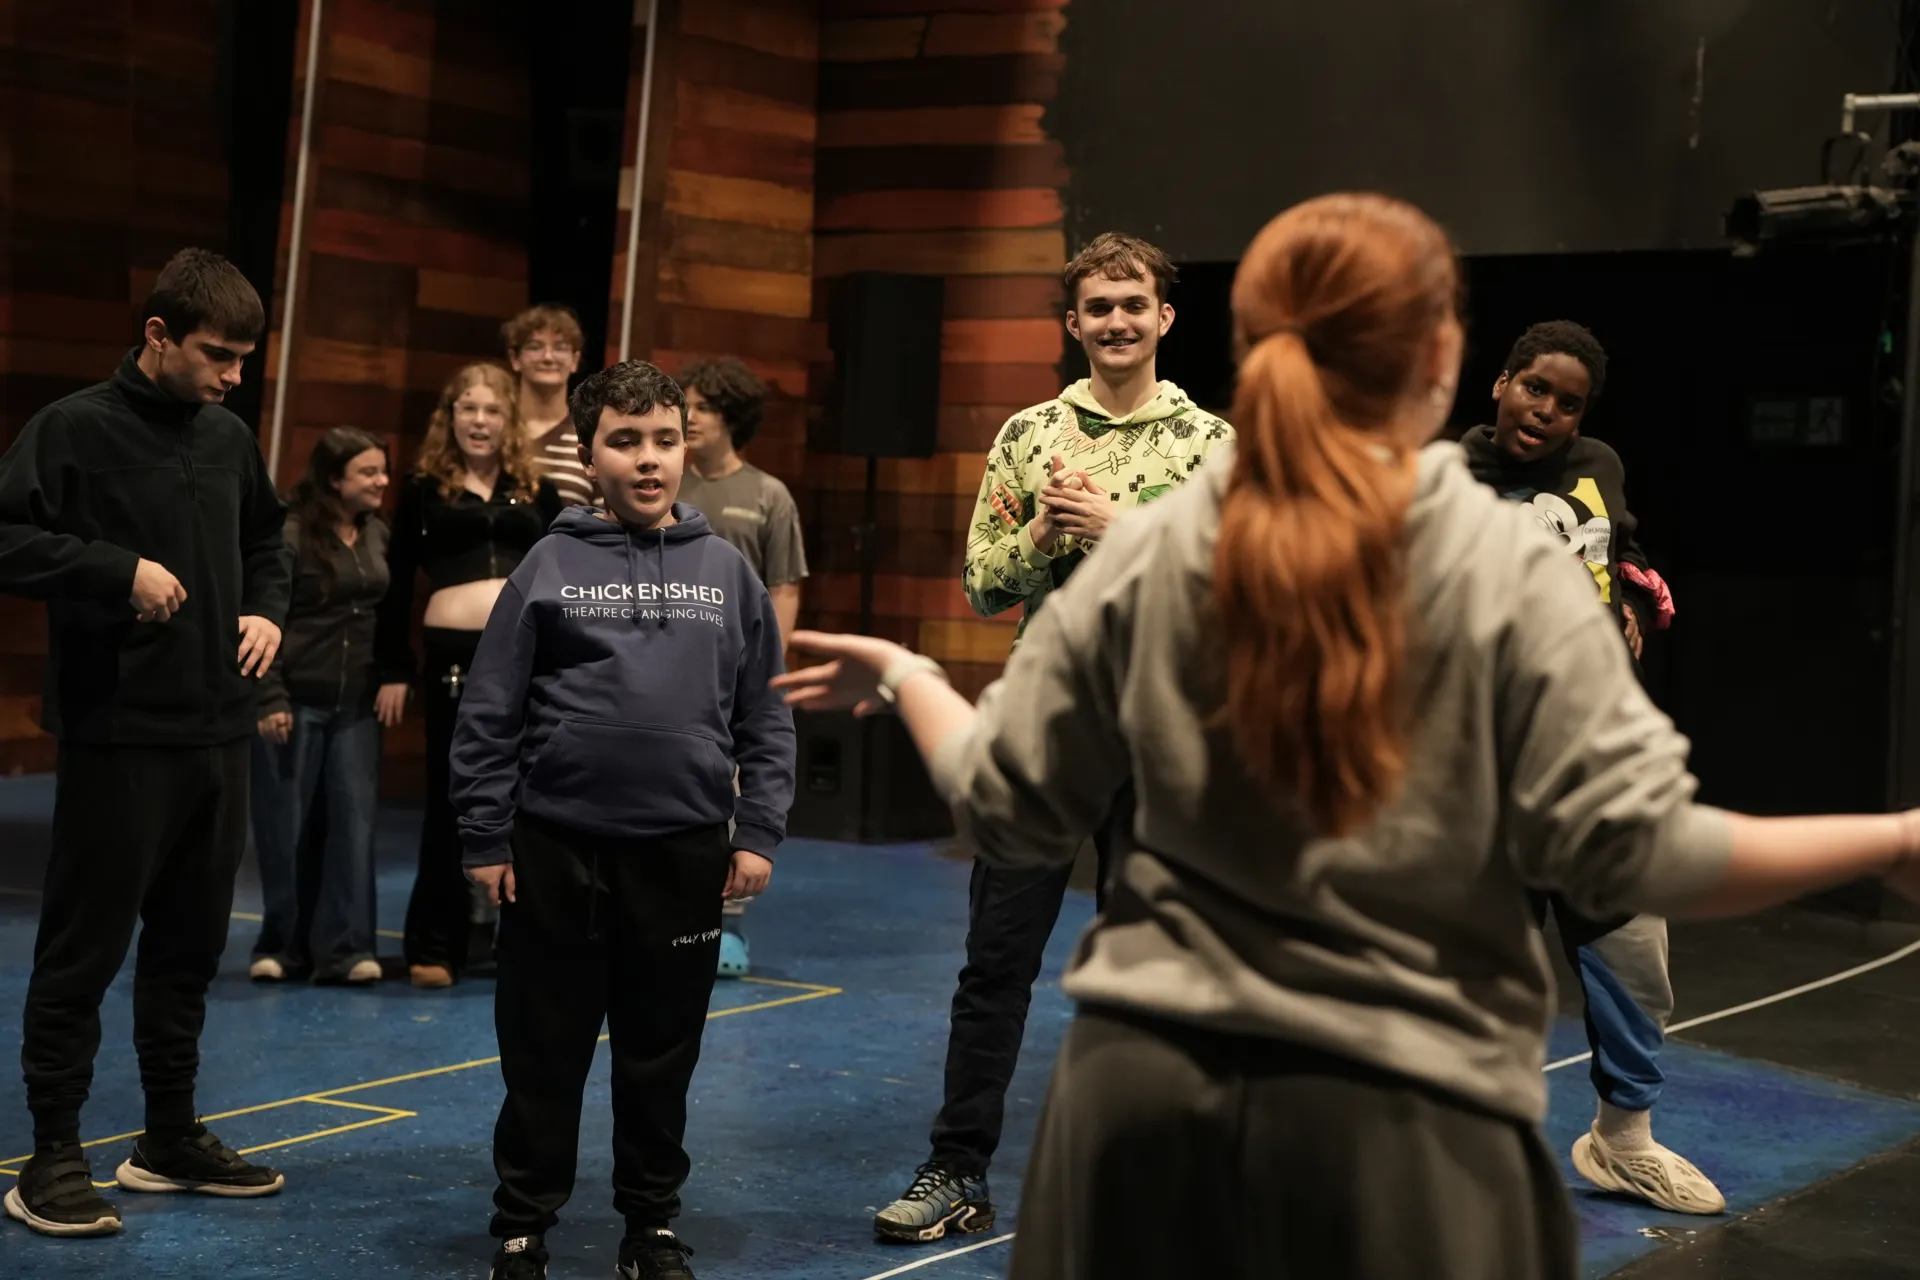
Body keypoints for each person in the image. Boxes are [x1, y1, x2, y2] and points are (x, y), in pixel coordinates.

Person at [772, 192, 1920, 1279]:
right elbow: (1641, 852)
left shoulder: (1174, 545)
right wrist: (1892, 835)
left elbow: (995, 788)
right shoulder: (1503, 563)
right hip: (1408, 1123)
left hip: (1143, 1117)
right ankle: (958, 1160)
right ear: (1447, 365)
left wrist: (909, 672)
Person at [869, 231, 1234, 1243]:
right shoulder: (1030, 434)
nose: (1116, 321)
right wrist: (1040, 535)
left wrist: (1127, 530)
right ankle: (958, 1165)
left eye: (1134, 303)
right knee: (995, 959)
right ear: (1072, 323)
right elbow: (983, 584)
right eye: (1097, 307)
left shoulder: (1214, 444)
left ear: (1165, 316)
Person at [449, 360, 796, 1280]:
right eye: (626, 441)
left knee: (661, 1057)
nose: (650, 461)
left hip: (682, 854)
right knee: (543, 1050)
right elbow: (489, 712)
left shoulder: (726, 569)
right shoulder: (548, 563)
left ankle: (650, 1227)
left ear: (688, 446)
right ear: (587, 452)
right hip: (554, 851)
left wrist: (757, 829)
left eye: (666, 441)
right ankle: (524, 1224)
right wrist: (485, 837)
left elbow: (766, 712)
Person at [0, 248, 292, 1237]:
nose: (234, 377)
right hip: (118, 734)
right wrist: (112, 567)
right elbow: (4, 537)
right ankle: (51, 1155)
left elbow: (270, 540)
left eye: (246, 360)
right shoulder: (73, 428)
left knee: (188, 948)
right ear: (159, 334)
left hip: (220, 732)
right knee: (83, 950)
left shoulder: (227, 438)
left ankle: (168, 1134)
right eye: (219, 355)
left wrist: (265, 610)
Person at [1459, 320, 1716, 1213]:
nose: (1549, 413)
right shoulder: (1446, 482)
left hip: (1600, 759)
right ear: (1501, 383)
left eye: (1569, 403)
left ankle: (1622, 1141)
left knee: (1636, 956)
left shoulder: (1598, 464)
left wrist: (1636, 584)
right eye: (1536, 390)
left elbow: (1618, 543)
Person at [375, 364, 563, 989]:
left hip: (528, 659)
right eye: (468, 409)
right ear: (449, 417)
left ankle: (529, 940)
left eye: (492, 411)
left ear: (509, 421)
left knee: (531, 798)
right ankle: (435, 940)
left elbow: (566, 574)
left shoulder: (536, 488)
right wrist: (395, 667)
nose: (479, 422)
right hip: (452, 660)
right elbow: (396, 586)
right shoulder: (424, 488)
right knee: (452, 796)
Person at [677, 356, 807, 979]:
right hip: (672, 669)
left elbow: (783, 588)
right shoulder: (667, 484)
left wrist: (769, 675)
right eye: (687, 405)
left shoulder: (767, 495)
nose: (689, 416)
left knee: (734, 800)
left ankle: (726, 929)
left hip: (738, 674)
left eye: (701, 406)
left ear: (731, 416)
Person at [249, 427, 392, 987]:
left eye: (382, 470)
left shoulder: (378, 532)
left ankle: (346, 949)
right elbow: (267, 615)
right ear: (335, 479)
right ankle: (282, 947)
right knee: (285, 828)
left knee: (353, 828)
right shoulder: (288, 534)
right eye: (369, 473)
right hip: (294, 700)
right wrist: (269, 695)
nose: (382, 481)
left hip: (354, 705)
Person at [505, 304, 595, 509]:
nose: (547, 357)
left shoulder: (589, 438)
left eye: (560, 347)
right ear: (515, 358)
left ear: (575, 360)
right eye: (535, 346)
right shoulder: (494, 430)